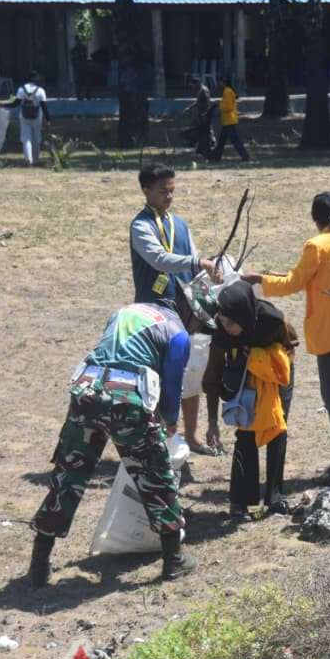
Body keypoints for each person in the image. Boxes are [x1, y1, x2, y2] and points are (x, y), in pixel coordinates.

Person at [27, 302, 196, 587]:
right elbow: (172, 383)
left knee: (68, 474)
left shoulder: (124, 311)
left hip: (87, 390)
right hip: (126, 399)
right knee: (154, 473)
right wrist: (170, 421)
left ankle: (38, 564)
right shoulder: (179, 333)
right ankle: (173, 560)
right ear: (192, 315)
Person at [241, 192, 330, 483]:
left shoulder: (316, 245)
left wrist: (258, 281)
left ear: (314, 217)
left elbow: (292, 284)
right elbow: (312, 280)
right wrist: (270, 275)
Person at [130, 164, 219, 453]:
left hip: (186, 310)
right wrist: (198, 263)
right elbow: (159, 259)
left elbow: (193, 260)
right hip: (154, 312)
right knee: (156, 374)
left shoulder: (179, 223)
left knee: (190, 370)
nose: (169, 196)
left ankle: (192, 436)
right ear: (146, 192)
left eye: (172, 190)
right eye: (162, 191)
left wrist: (210, 272)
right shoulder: (141, 226)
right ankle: (158, 439)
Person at [202, 282, 299, 517]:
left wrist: (263, 360)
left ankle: (274, 496)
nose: (228, 328)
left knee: (277, 429)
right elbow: (212, 377)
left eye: (232, 323)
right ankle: (240, 501)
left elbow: (291, 347)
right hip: (242, 375)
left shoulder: (272, 320)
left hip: (275, 376)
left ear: (244, 315)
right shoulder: (221, 331)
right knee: (245, 431)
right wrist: (212, 422)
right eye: (223, 322)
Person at [2, 72, 49, 166]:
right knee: (36, 138)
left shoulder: (21, 89)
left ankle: (28, 159)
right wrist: (48, 120)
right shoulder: (40, 90)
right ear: (36, 79)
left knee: (26, 138)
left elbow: (15, 104)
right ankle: (36, 160)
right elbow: (44, 107)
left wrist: (3, 105)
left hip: (24, 116)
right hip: (37, 117)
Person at [210, 76, 250, 162]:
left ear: (224, 83)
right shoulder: (228, 91)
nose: (219, 84)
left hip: (229, 120)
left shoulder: (227, 92)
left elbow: (228, 107)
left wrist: (219, 104)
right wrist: (220, 103)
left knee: (234, 141)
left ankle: (245, 156)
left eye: (220, 82)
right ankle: (216, 157)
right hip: (228, 120)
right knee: (221, 141)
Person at [183, 77, 214, 159]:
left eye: (193, 84)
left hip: (204, 113)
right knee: (199, 127)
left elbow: (207, 100)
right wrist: (189, 108)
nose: (192, 86)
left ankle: (210, 142)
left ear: (197, 83)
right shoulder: (201, 90)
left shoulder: (203, 90)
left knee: (205, 128)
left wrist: (207, 111)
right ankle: (196, 143)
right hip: (201, 112)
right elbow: (198, 101)